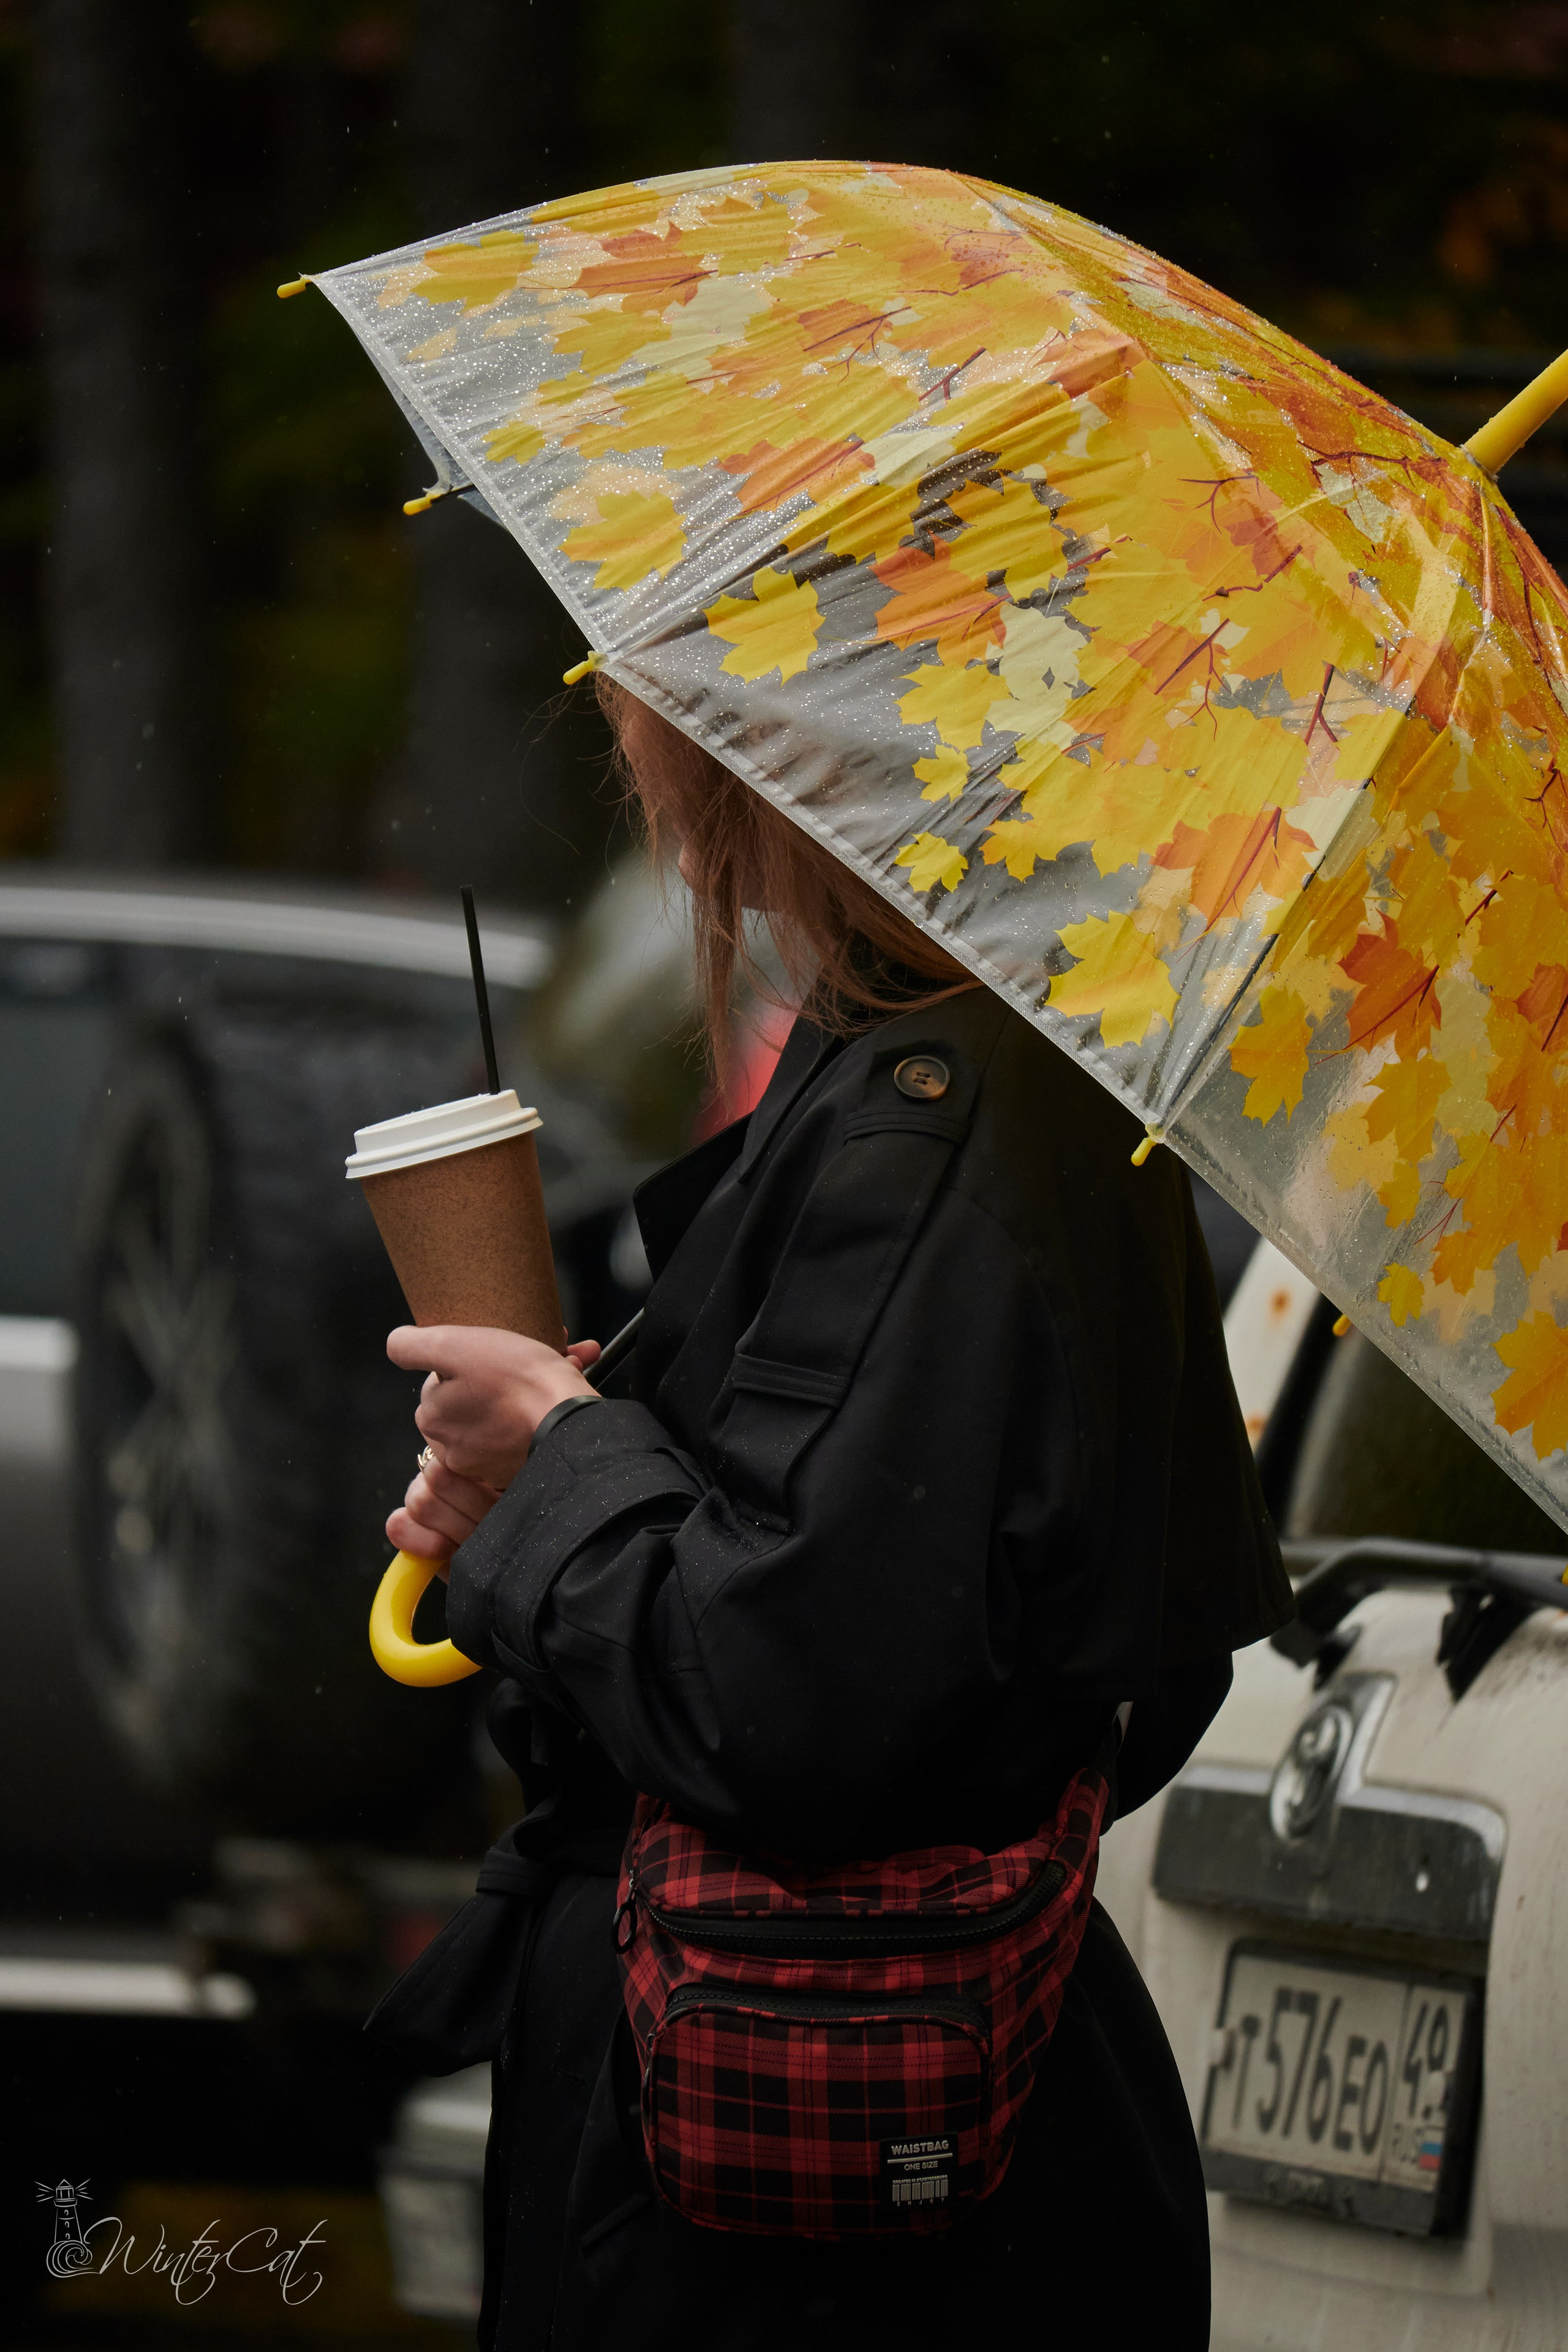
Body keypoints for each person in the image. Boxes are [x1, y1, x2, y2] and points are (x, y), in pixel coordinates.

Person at [377, 684, 1293, 2351]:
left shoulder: (948, 1116)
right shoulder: (956, 1070)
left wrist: (572, 1463)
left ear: (790, 726)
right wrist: (563, 1478)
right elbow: (1043, 1641)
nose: (612, 724)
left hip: (809, 2176)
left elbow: (791, 1694)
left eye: (646, 692)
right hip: (844, 2125)